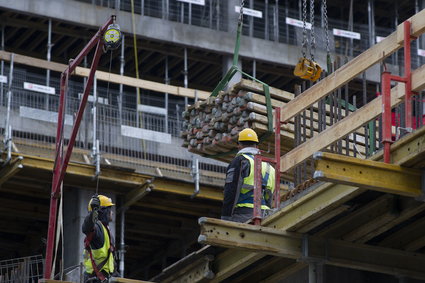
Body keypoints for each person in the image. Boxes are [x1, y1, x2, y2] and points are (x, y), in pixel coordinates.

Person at [221, 128, 276, 223]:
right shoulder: (269, 167)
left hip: (242, 215)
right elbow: (269, 196)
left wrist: (225, 217)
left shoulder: (240, 162)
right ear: (257, 146)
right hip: (265, 216)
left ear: (239, 145)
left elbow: (231, 191)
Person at [82, 194, 117, 282]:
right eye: (110, 210)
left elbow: (110, 261)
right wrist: (94, 212)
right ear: (104, 211)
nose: (112, 213)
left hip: (102, 278)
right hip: (94, 279)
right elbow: (86, 228)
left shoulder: (106, 231)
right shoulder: (98, 228)